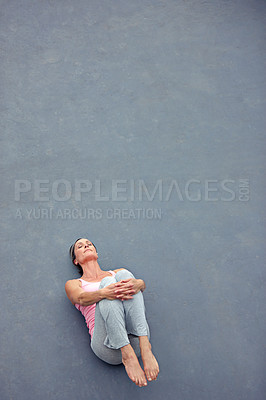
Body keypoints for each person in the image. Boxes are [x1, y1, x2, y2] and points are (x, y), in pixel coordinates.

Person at [65, 238, 159, 387]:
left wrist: (139, 284)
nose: (86, 246)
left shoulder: (117, 273)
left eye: (89, 244)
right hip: (108, 346)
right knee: (107, 283)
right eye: (80, 246)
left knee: (125, 275)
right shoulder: (75, 284)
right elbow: (80, 298)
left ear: (96, 252)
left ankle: (145, 345)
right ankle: (127, 354)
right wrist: (103, 293)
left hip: (135, 337)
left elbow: (138, 286)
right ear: (76, 260)